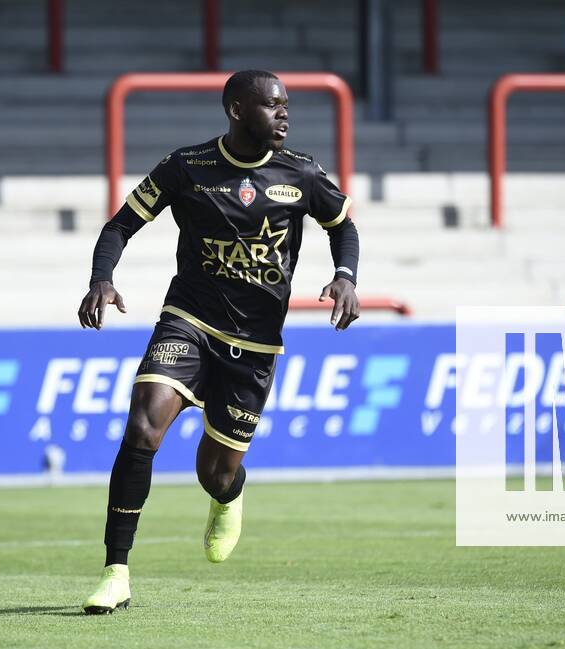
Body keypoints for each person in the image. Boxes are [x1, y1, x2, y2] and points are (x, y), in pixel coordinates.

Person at [78, 70, 360, 614]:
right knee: (142, 427)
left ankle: (227, 497)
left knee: (216, 471)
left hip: (254, 345)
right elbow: (119, 226)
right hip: (189, 320)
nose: (284, 114)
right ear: (236, 109)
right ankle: (116, 572)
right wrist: (101, 278)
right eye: (273, 105)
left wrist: (345, 274)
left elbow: (343, 225)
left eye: (286, 106)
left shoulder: (300, 173)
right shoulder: (187, 166)